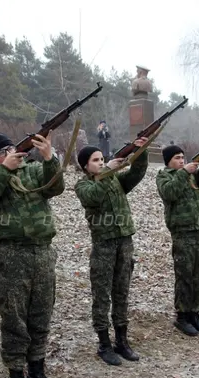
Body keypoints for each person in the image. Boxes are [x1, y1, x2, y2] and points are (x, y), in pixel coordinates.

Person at [0, 131, 65, 378]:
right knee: (14, 317)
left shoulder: (36, 170)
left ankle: (37, 370)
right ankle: (15, 375)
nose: (11, 153)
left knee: (41, 314)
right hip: (12, 254)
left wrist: (49, 157)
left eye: (12, 148)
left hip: (43, 252)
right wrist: (4, 170)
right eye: (3, 152)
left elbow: (55, 187)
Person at [74, 137, 149, 366]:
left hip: (124, 242)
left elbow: (136, 173)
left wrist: (140, 151)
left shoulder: (115, 180)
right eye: (95, 160)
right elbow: (93, 196)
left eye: (102, 159)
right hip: (104, 245)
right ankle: (104, 343)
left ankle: (122, 340)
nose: (101, 162)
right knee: (102, 296)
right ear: (86, 166)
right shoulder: (84, 186)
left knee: (121, 292)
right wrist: (107, 171)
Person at [156, 140, 199, 336]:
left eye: (182, 157)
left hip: (198, 231)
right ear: (168, 161)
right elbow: (170, 193)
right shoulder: (164, 177)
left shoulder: (190, 176)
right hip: (182, 232)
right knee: (185, 275)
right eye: (176, 158)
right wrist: (184, 171)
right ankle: (182, 316)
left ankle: (195, 313)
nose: (181, 160)